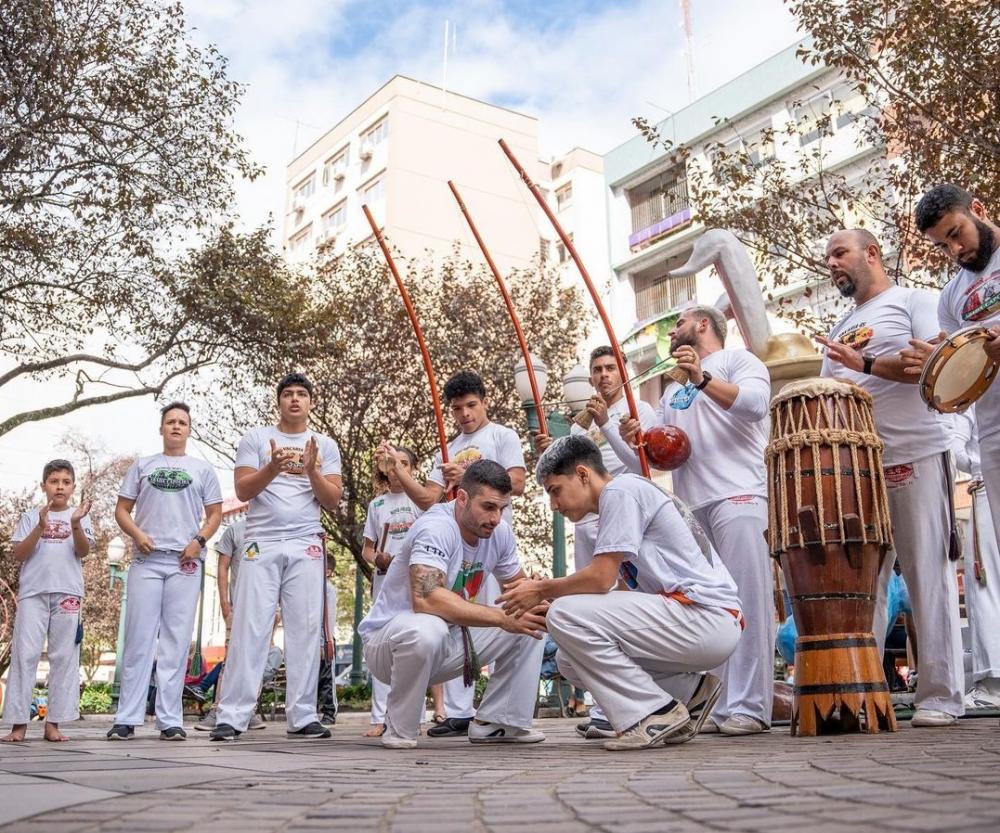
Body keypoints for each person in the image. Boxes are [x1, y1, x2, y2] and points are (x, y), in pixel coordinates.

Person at [500, 436, 742, 750]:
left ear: (583, 475)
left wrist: (543, 590)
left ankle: (652, 714)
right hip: (698, 621)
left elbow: (601, 579)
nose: (554, 505)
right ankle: (691, 692)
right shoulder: (626, 495)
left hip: (705, 616)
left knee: (565, 615)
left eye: (555, 490)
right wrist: (552, 604)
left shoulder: (620, 490)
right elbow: (615, 595)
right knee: (568, 658)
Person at [816, 228, 963, 727]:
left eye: (840, 253)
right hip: (858, 471)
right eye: (828, 257)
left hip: (917, 453)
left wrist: (866, 363)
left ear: (872, 253)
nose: (832, 263)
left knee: (927, 576)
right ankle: (864, 697)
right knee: (864, 587)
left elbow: (933, 363)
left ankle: (940, 697)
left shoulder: (914, 301)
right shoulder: (839, 326)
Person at [616, 306, 775, 736]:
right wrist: (633, 440)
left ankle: (751, 707)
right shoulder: (670, 393)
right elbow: (658, 459)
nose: (672, 331)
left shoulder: (739, 361)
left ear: (703, 323)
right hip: (692, 506)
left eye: (680, 322)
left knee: (750, 600)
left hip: (739, 494)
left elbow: (758, 405)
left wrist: (702, 378)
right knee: (709, 608)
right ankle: (716, 705)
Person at [358, 460, 546, 749]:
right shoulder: (435, 527)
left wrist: (539, 590)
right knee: (427, 627)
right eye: (488, 507)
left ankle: (498, 722)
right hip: (390, 644)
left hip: (449, 642)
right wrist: (501, 618)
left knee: (531, 617)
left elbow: (517, 589)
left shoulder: (499, 532)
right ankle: (399, 728)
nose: (496, 518)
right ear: (462, 497)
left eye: (502, 509)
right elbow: (427, 597)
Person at [378, 370, 526, 738]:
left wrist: (542, 595)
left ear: (484, 402)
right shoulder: (444, 459)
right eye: (457, 408)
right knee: (436, 619)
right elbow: (429, 499)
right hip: (442, 561)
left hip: (484, 547)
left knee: (526, 615)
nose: (464, 414)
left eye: (471, 405)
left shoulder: (502, 436)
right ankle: (427, 719)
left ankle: (500, 720)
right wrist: (399, 470)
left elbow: (518, 482)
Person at [212, 373, 343, 741]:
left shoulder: (325, 445)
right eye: (288, 394)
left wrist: (312, 468)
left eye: (303, 393)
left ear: (311, 402)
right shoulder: (256, 439)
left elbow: (332, 499)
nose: (295, 400)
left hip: (305, 543)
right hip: (261, 541)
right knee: (250, 628)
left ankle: (302, 715)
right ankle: (233, 714)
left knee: (304, 629)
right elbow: (242, 488)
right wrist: (273, 466)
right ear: (279, 401)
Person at [536, 345, 657, 738]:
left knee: (620, 601)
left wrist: (607, 425)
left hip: (622, 520)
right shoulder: (577, 425)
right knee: (585, 604)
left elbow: (644, 466)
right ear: (590, 377)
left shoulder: (639, 412)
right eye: (597, 370)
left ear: (622, 372)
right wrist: (549, 452)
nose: (604, 375)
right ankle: (602, 709)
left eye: (610, 368)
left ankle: (636, 702)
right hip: (586, 524)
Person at [107, 402, 223, 741]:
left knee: (175, 642)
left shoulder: (203, 470)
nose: (175, 426)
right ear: (161, 429)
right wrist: (138, 535)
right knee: (139, 640)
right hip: (147, 560)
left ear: (189, 430)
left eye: (182, 422)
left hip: (184, 563)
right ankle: (126, 717)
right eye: (170, 422)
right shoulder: (143, 465)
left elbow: (214, 514)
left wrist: (199, 541)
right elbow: (122, 509)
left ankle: (170, 719)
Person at [904, 185, 1000, 552]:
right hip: (992, 431)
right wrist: (940, 364)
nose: (955, 251)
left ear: (978, 208)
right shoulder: (949, 297)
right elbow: (965, 377)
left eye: (956, 233)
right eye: (943, 246)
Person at [2, 460, 92, 743]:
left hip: (68, 593)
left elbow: (83, 550)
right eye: (54, 481)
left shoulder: (80, 516)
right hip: (33, 593)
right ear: (44, 486)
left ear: (73, 486)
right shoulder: (31, 516)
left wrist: (75, 523)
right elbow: (19, 554)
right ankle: (18, 723)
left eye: (66, 481)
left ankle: (53, 722)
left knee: (63, 657)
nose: (60, 486)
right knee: (25, 655)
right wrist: (40, 527)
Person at [361, 446, 421, 737]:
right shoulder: (377, 505)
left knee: (416, 643)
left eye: (404, 462)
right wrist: (378, 559)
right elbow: (368, 549)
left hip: (415, 582)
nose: (397, 468)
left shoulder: (421, 501)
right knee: (382, 644)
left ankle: (415, 717)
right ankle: (378, 717)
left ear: (413, 468)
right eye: (392, 462)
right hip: (385, 584)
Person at [191, 518, 263, 731]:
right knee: (231, 660)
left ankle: (249, 710)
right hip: (239, 607)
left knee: (258, 660)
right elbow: (223, 567)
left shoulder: (278, 528)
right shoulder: (235, 530)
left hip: (265, 609)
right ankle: (217, 709)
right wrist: (224, 603)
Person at [950, 408, 1000, 708]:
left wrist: (976, 465)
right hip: (986, 479)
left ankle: (993, 685)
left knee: (986, 587)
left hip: (985, 484)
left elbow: (955, 449)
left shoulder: (974, 392)